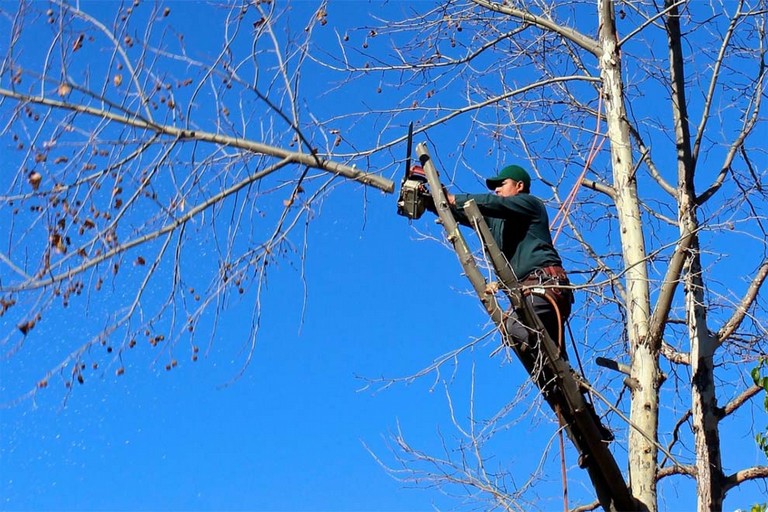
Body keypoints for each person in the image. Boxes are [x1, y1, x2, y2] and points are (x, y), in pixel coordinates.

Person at [429, 164, 573, 355]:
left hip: (545, 285)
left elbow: (495, 204)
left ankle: (550, 358)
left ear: (519, 186)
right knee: (551, 366)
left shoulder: (530, 203)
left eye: (502, 184)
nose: (496, 189)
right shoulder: (496, 220)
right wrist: (433, 200)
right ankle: (564, 379)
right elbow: (464, 213)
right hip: (530, 293)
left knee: (513, 327)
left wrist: (455, 198)